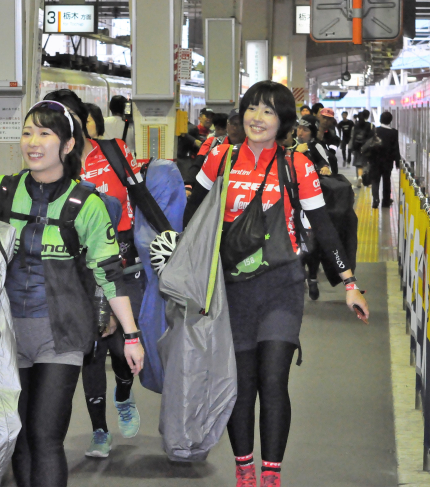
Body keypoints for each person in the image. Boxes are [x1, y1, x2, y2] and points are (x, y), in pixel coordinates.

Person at [183, 80, 369, 487]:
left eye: (268, 111)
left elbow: (323, 225)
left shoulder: (296, 165)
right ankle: (244, 469)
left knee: (273, 378)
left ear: (283, 120)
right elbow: (192, 215)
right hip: (230, 289)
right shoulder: (220, 159)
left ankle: (271, 474)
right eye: (252, 108)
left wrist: (349, 280)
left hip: (282, 285)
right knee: (242, 383)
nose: (256, 117)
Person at [0, 100, 145, 487]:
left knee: (45, 437)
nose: (33, 142)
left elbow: (108, 274)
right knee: (17, 438)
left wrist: (132, 335)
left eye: (45, 133)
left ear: (68, 145)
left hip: (61, 334)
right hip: (4, 334)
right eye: (27, 132)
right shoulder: (1, 190)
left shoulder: (86, 204)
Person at [44, 89, 145, 458]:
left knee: (120, 347)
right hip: (81, 270)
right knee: (91, 349)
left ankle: (122, 391)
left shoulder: (116, 151)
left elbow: (140, 197)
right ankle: (99, 430)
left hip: (123, 261)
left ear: (83, 120)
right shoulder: (56, 166)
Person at [294, 115, 332, 301]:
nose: (300, 132)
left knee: (311, 243)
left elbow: (328, 166)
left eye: (305, 130)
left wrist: (324, 169)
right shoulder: (289, 145)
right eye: (299, 128)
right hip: (291, 204)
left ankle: (313, 277)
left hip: (310, 205)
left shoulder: (315, 147)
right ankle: (298, 276)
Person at [186, 109, 246, 198]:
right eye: (233, 123)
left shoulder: (253, 148)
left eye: (240, 124)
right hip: (212, 195)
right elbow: (198, 164)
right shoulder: (213, 143)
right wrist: (188, 185)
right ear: (227, 125)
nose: (235, 128)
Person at [369, 112, 400, 208]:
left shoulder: (374, 131)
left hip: (375, 161)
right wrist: (397, 162)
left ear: (380, 119)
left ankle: (375, 200)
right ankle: (386, 201)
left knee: (375, 180)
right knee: (387, 180)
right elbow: (395, 148)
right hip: (387, 161)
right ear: (390, 121)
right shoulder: (394, 132)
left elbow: (370, 146)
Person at [350, 110, 375, 188]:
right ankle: (368, 182)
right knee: (368, 164)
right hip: (368, 148)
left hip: (357, 147)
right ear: (368, 116)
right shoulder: (371, 125)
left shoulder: (356, 125)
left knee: (359, 164)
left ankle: (360, 177)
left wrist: (351, 148)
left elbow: (352, 137)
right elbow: (374, 137)